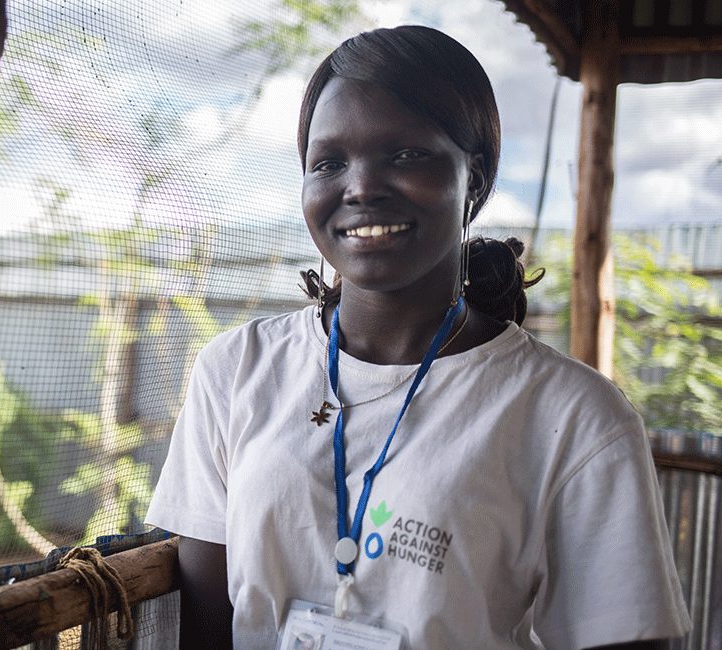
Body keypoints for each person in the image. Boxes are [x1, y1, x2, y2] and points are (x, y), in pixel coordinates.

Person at [145, 25, 691, 649]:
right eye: (328, 163)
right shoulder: (238, 369)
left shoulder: (572, 416)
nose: (360, 187)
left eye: (406, 155)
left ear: (476, 180)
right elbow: (206, 623)